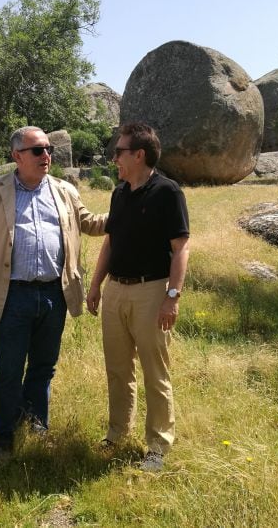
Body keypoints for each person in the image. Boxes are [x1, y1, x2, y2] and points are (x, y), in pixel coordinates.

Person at [0, 126, 106, 461]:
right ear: (17, 156)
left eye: (49, 150)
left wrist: (130, 214)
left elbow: (88, 223)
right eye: (38, 151)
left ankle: (35, 426)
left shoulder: (64, 190)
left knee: (44, 367)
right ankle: (2, 437)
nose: (47, 156)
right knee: (10, 369)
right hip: (11, 295)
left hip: (54, 294)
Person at [86, 122, 190, 473]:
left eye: (119, 151)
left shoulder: (167, 192)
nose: (114, 157)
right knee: (117, 369)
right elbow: (110, 242)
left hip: (151, 291)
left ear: (139, 154)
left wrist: (171, 297)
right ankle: (117, 434)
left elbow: (180, 249)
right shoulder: (119, 193)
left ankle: (158, 446)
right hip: (116, 290)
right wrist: (96, 284)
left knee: (154, 372)